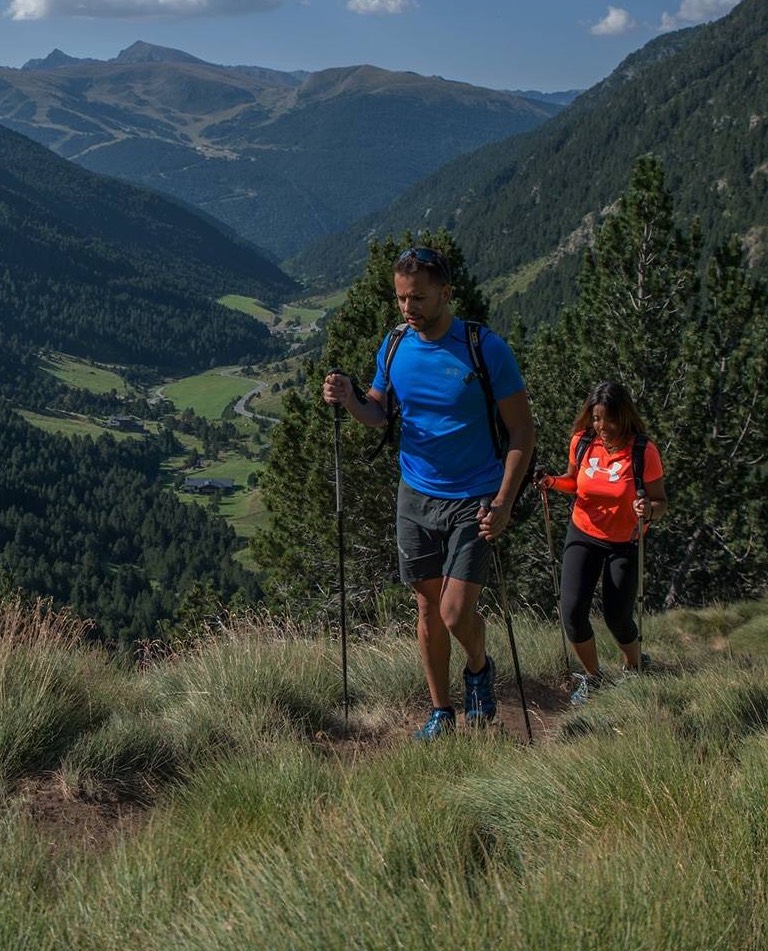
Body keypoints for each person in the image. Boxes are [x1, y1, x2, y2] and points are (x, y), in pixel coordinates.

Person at [322, 246, 535, 740]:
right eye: (400, 299)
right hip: (415, 495)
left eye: (417, 297)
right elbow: (379, 411)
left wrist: (504, 501)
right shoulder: (396, 345)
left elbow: (522, 431)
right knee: (426, 608)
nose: (407, 308)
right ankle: (441, 712)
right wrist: (351, 398)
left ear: (445, 293)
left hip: (475, 497)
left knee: (456, 611)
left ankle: (478, 668)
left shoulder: (485, 348)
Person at [534, 381, 668, 704]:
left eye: (609, 419)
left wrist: (648, 509)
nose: (602, 426)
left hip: (625, 541)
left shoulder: (643, 451)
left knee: (618, 617)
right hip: (583, 532)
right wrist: (551, 482)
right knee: (572, 612)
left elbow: (660, 502)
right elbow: (574, 483)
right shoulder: (582, 442)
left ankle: (634, 665)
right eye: (596, 418)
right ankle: (593, 677)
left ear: (624, 416)